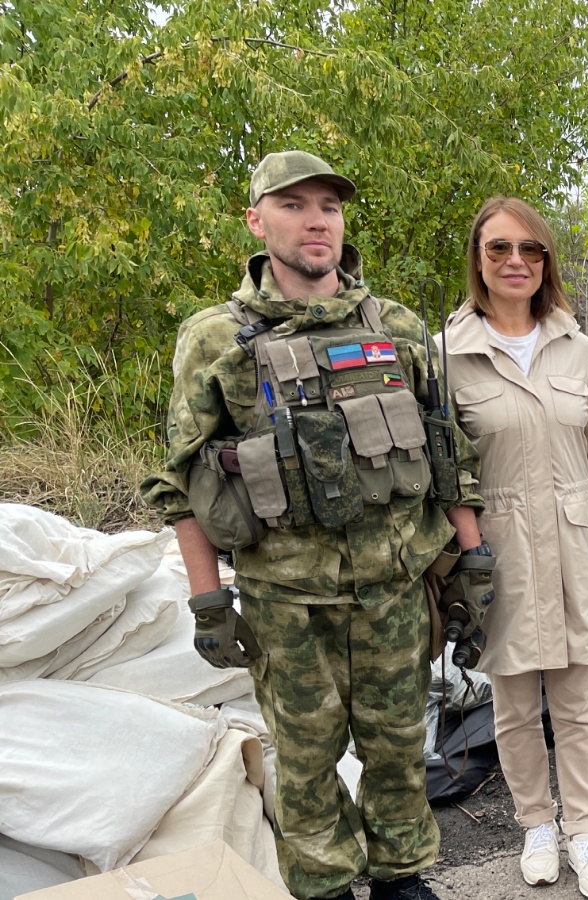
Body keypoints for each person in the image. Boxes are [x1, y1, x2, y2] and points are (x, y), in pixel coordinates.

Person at [139, 150, 490, 900]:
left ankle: (400, 879)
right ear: (256, 219)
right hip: (286, 604)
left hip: (395, 594)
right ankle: (326, 886)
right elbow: (181, 484)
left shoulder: (393, 325)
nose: (316, 221)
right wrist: (208, 603)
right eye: (293, 205)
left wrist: (473, 563)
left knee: (399, 751)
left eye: (328, 206)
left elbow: (447, 452)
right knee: (304, 764)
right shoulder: (212, 339)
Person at [440, 197, 588, 899]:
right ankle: (537, 826)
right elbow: (449, 473)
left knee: (580, 703)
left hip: (579, 546)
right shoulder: (451, 354)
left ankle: (584, 827)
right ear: (478, 260)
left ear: (546, 260)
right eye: (499, 249)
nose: (515, 262)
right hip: (502, 553)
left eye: (530, 249)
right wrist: (467, 557)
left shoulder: (577, 347)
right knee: (516, 704)